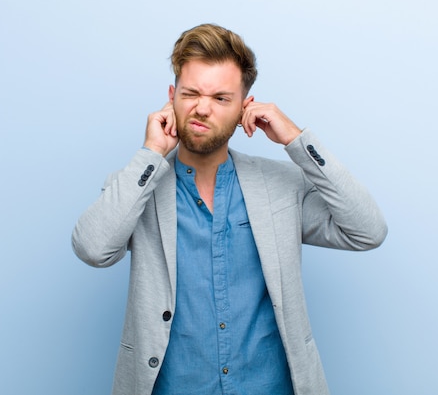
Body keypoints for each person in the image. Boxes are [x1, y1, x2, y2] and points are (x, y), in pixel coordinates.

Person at [71, 23, 387, 395]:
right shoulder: (138, 184)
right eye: (190, 94)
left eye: (221, 98)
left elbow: (368, 230)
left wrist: (296, 139)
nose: (202, 109)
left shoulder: (280, 187)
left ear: (243, 108)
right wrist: (152, 153)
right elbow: (92, 249)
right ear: (171, 98)